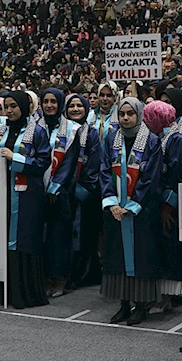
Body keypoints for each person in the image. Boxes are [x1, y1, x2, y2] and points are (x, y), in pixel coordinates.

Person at [100, 97, 163, 325]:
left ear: (139, 115)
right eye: (122, 114)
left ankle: (141, 306)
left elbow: (152, 178)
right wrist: (112, 203)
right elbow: (104, 171)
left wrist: (133, 206)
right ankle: (124, 304)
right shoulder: (110, 140)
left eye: (130, 114)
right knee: (117, 258)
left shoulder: (152, 141)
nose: (126, 118)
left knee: (141, 257)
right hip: (115, 210)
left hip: (142, 212)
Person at [0, 90, 50, 309]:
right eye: (6, 106)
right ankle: (6, 291)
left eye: (14, 106)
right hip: (3, 192)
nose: (9, 110)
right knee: (5, 240)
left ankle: (27, 293)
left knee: (25, 241)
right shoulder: (0, 130)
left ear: (24, 107)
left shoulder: (37, 131)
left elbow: (43, 162)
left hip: (27, 197)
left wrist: (13, 157)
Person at [142, 100, 182, 314]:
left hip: (170, 207)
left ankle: (167, 297)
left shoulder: (177, 140)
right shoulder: (159, 138)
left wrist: (168, 207)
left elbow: (178, 174)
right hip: (157, 202)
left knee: (170, 249)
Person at [39, 88, 80, 298]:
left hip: (61, 192)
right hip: (37, 190)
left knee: (59, 237)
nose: (49, 105)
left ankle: (60, 278)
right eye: (45, 101)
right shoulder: (34, 126)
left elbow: (70, 162)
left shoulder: (73, 129)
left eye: (53, 101)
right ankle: (44, 277)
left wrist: (55, 186)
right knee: (42, 236)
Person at [62, 93, 102, 289]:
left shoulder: (92, 133)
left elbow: (94, 165)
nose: (75, 109)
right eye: (71, 106)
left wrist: (79, 190)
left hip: (83, 193)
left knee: (83, 236)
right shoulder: (60, 131)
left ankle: (82, 274)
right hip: (61, 191)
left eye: (80, 106)